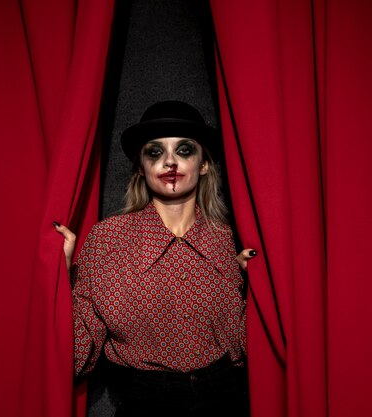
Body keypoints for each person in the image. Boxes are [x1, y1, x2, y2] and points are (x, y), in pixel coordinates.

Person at [54, 100, 256, 417]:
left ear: (204, 164)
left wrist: (255, 288)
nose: (170, 162)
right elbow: (77, 357)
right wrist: (58, 281)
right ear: (141, 167)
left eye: (185, 150)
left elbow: (249, 347)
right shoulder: (108, 240)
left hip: (227, 402)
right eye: (155, 152)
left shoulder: (229, 240)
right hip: (142, 405)